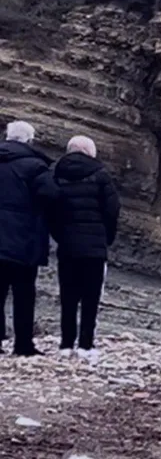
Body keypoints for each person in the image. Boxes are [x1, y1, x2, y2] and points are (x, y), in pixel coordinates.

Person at [42, 135, 121, 361]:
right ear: (90, 152)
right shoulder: (101, 175)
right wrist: (106, 236)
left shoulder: (56, 173)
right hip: (94, 247)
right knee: (91, 296)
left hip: (68, 246)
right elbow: (113, 208)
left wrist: (59, 235)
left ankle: (66, 344)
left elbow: (50, 209)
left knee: (68, 296)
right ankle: (86, 345)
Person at [0, 120, 52, 357]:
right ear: (30, 140)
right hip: (24, 240)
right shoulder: (35, 166)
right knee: (24, 294)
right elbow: (50, 197)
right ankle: (23, 345)